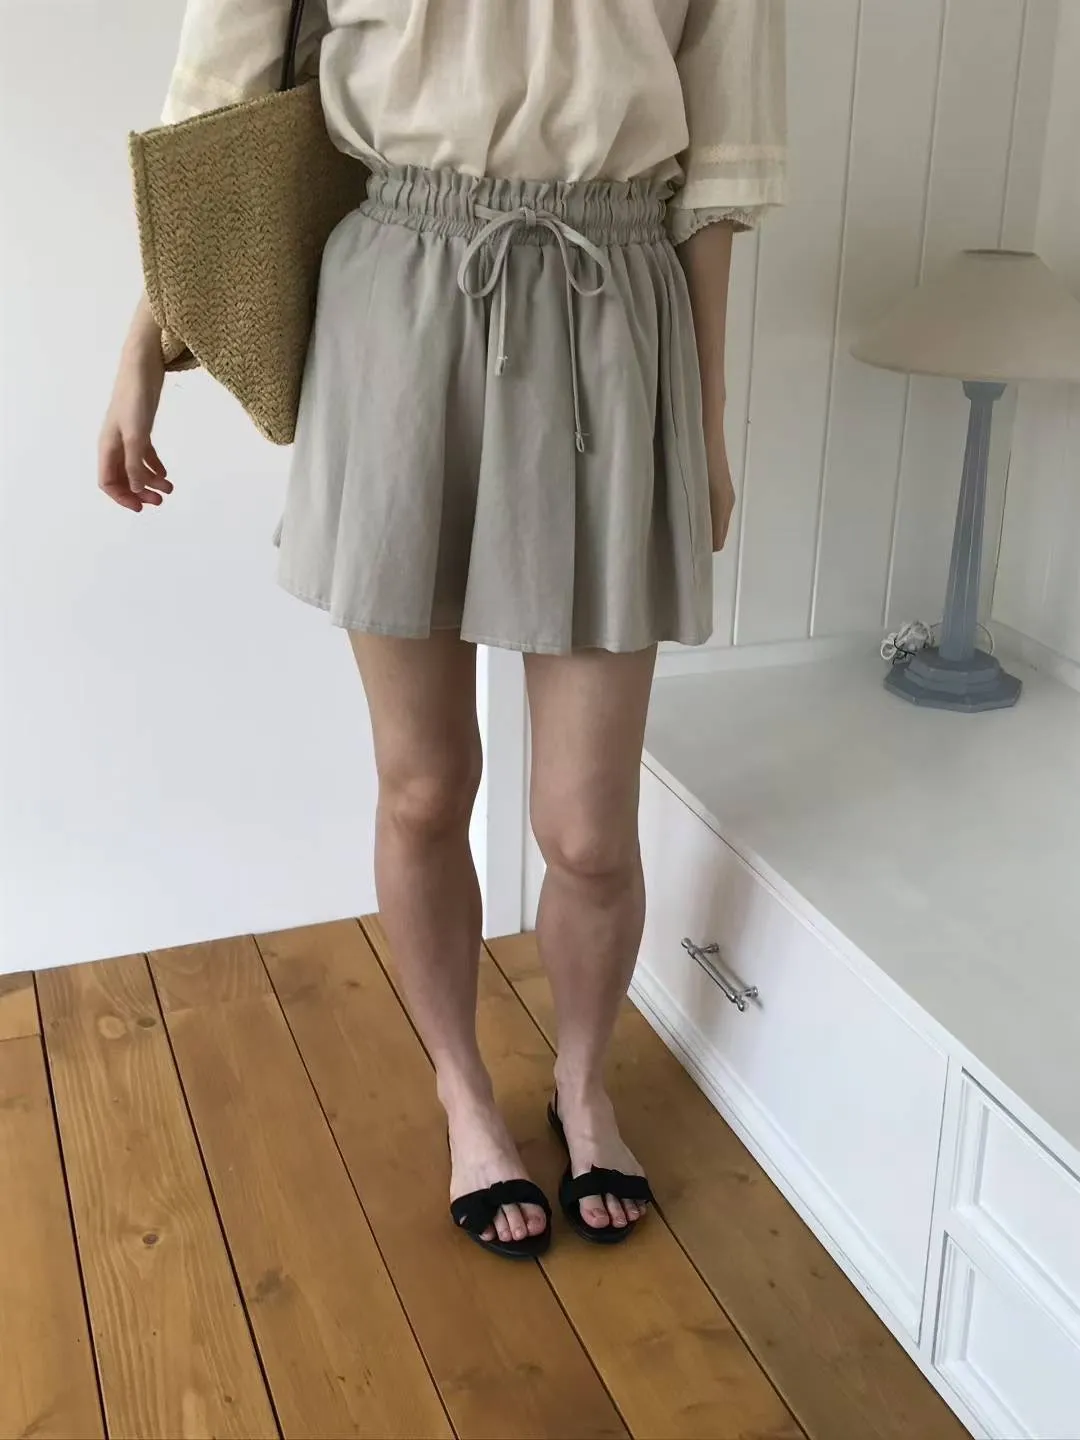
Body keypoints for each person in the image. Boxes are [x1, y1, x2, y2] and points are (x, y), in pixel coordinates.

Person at [99, 0, 786, 1258]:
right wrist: (147, 344)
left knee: (587, 829)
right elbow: (213, 113)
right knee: (423, 788)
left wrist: (707, 419)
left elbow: (721, 159)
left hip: (614, 308)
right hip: (399, 294)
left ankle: (583, 1084)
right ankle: (464, 1092)